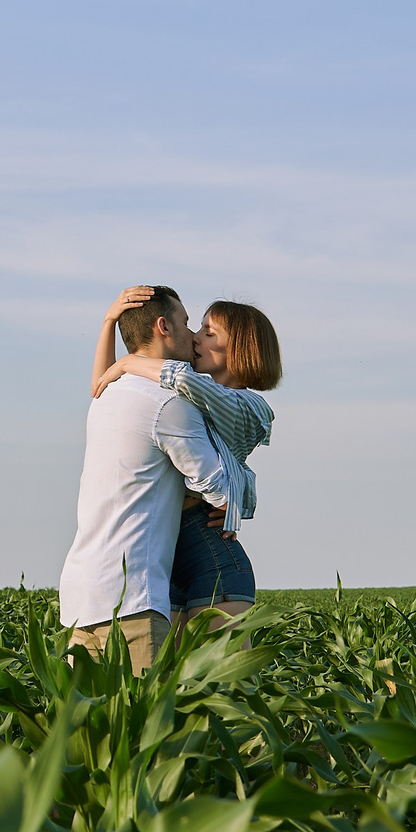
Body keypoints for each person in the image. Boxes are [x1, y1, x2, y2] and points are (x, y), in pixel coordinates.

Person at [56, 286, 234, 674]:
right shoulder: (168, 402)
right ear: (163, 327)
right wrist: (231, 500)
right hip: (132, 601)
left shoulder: (106, 395)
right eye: (186, 323)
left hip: (79, 598)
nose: (193, 335)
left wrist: (108, 320)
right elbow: (219, 488)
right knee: (146, 714)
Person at [92, 286, 281, 631]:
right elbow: (105, 388)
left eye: (208, 332)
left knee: (226, 667)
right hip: (168, 550)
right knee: (175, 668)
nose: (195, 337)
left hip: (209, 554)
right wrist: (109, 323)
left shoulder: (248, 406)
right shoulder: (192, 396)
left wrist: (129, 361)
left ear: (237, 348)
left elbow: (179, 378)